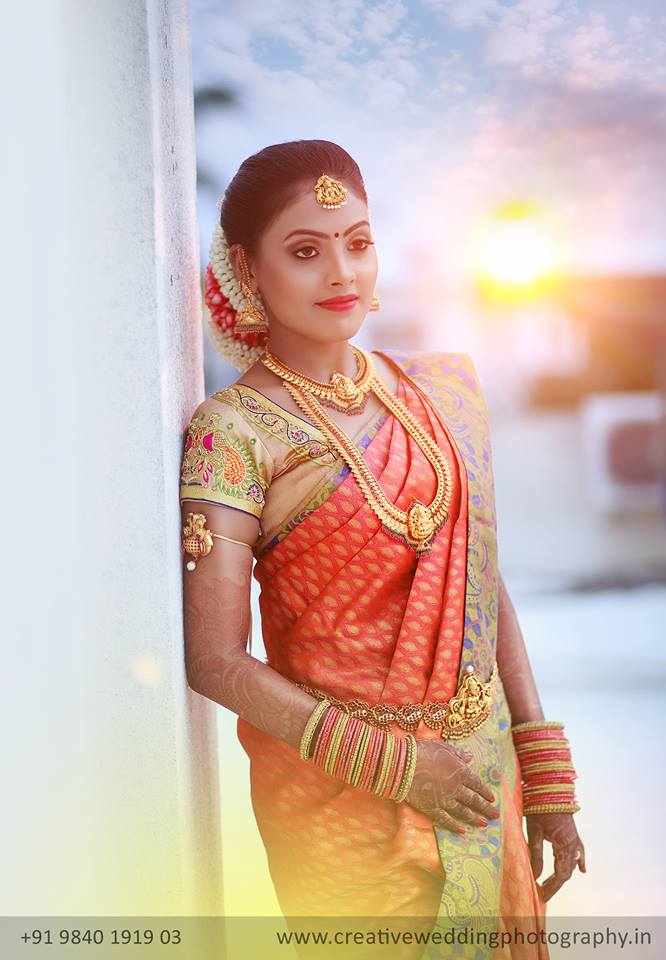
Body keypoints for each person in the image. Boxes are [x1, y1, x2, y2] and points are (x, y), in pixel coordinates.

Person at [179, 140, 586, 959]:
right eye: (305, 250)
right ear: (247, 272)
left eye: (358, 243)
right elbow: (214, 660)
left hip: (477, 777)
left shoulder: (437, 393)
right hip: (345, 806)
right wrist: (402, 770)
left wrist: (543, 771)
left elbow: (480, 582)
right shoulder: (234, 433)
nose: (342, 273)